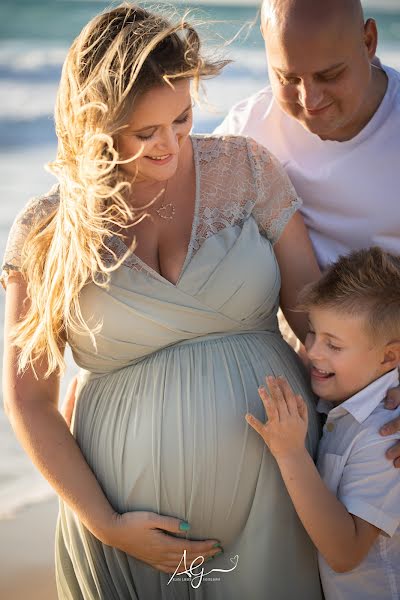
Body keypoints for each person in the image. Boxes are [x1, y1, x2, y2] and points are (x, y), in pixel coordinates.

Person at [1, 4, 324, 599]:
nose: (171, 144)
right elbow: (29, 397)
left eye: (182, 118)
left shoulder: (246, 169)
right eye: (145, 133)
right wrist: (109, 525)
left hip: (281, 500)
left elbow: (317, 321)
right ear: (94, 127)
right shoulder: (49, 229)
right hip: (124, 532)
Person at [215, 0, 400, 458]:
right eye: (287, 79)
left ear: (369, 41)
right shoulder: (248, 130)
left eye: (330, 75)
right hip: (307, 378)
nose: (309, 99)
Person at [246, 246, 400, 599]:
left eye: (334, 345)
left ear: (389, 357)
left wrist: (290, 454)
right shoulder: (339, 402)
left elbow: (345, 553)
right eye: (313, 333)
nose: (313, 351)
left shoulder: (384, 438)